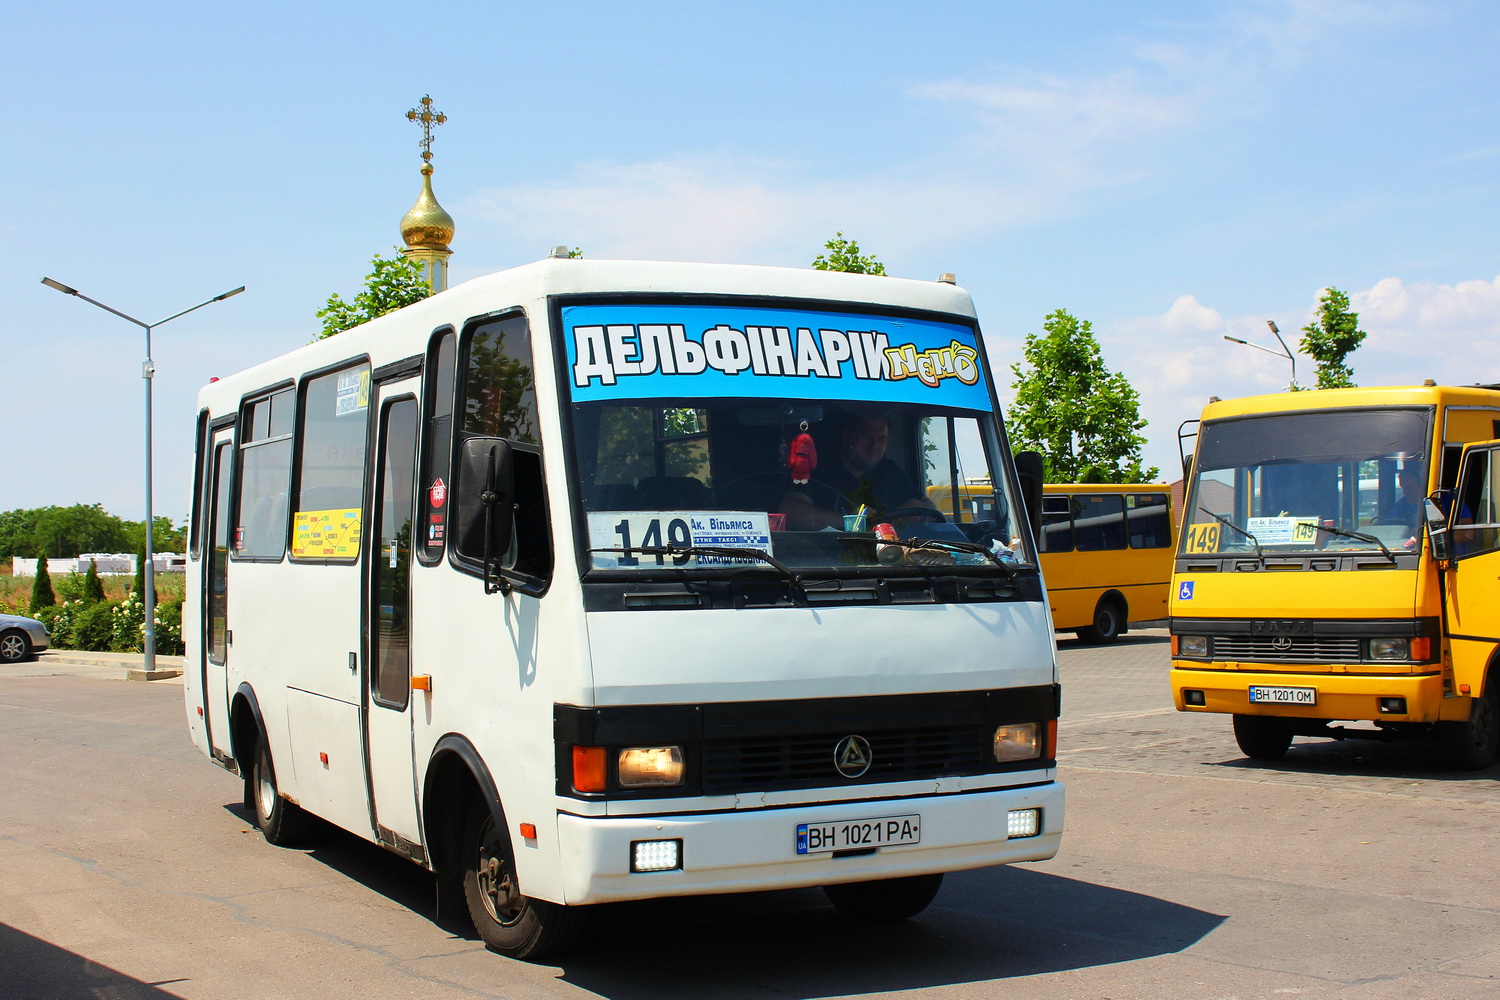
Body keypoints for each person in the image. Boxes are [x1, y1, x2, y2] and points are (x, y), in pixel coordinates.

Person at [780, 414, 935, 530]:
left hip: (888, 560)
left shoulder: (889, 471)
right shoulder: (819, 469)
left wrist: (908, 513)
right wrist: (855, 523)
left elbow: (928, 508)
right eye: (866, 436)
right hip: (829, 562)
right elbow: (792, 513)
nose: (874, 445)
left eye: (881, 439)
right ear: (847, 435)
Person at [1376, 463, 1426, 532]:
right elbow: (1390, 520)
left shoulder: (1429, 503)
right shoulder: (1402, 504)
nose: (1404, 492)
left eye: (1408, 487)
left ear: (1421, 485)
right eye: (1403, 487)